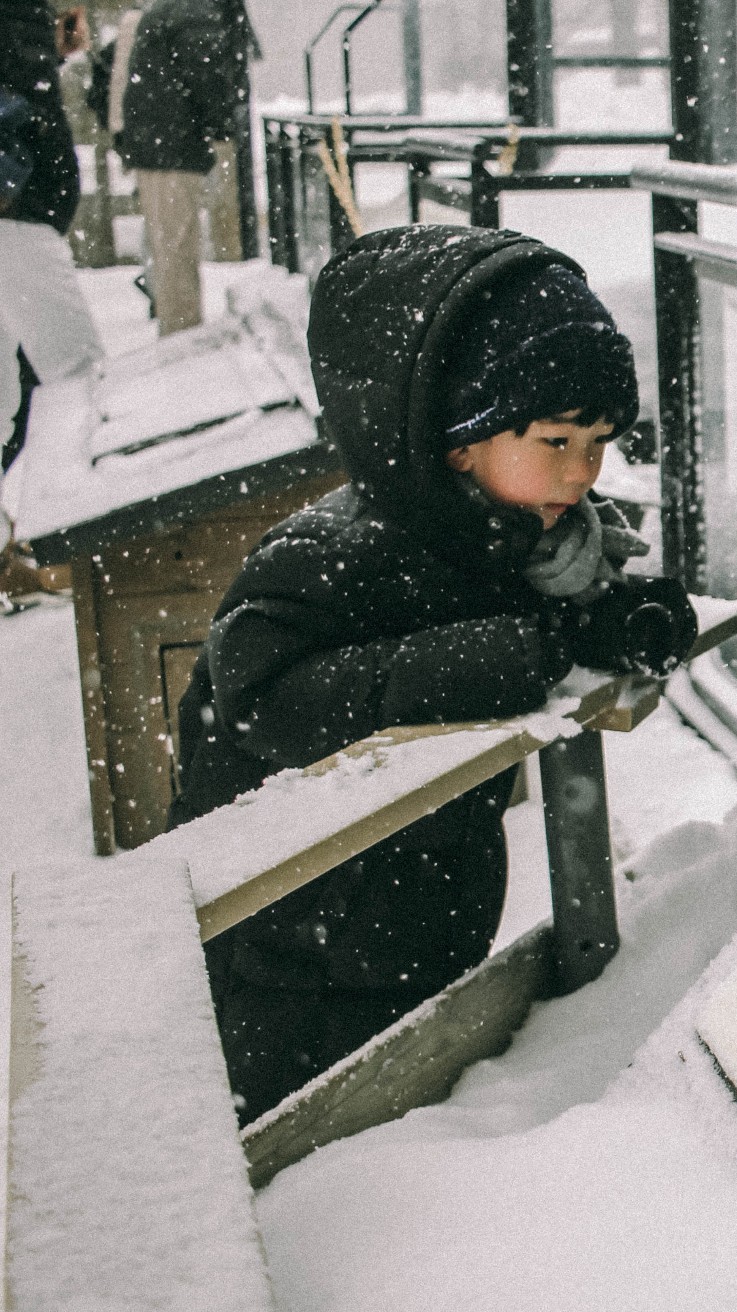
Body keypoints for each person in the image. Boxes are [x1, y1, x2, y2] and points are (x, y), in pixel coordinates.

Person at [169, 225, 698, 1122]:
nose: (584, 471)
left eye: (600, 442)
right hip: (291, 940)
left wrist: (615, 621)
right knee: (296, 1143)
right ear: (461, 441)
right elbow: (263, 696)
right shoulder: (332, 556)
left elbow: (540, 625)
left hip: (411, 918)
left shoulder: (508, 530)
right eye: (559, 441)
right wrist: (493, 658)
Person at [0, 0, 102, 471]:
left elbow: (18, 85)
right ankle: (78, 524)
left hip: (20, 214)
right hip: (18, 220)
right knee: (78, 379)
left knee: (5, 394)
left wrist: (50, 49)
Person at [111, 0, 250, 335]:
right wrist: (223, 125)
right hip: (172, 142)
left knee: (170, 244)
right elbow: (207, 74)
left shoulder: (173, 9)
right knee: (178, 246)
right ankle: (182, 335)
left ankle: (179, 327)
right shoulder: (194, 11)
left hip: (159, 140)